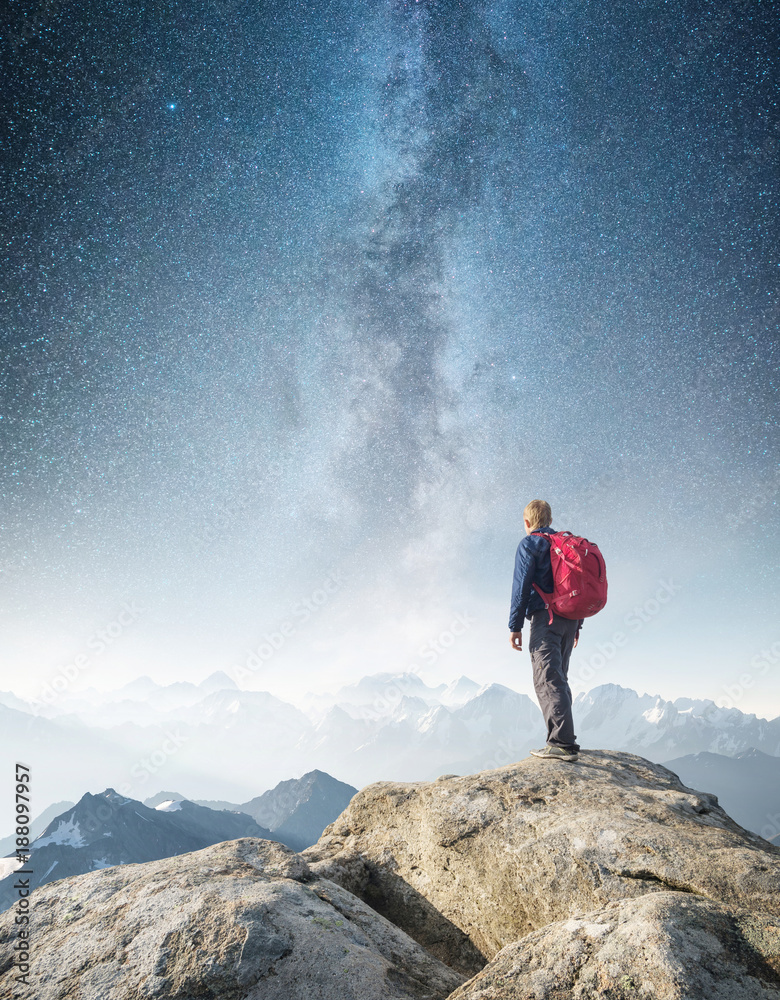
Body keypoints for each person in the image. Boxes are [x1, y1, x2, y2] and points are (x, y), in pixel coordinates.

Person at [508, 499, 582, 762]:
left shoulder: (530, 544)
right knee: (559, 677)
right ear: (550, 520)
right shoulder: (566, 545)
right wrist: (577, 625)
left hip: (545, 619)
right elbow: (577, 586)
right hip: (570, 619)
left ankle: (561, 744)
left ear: (527, 523)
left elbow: (521, 587)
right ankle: (562, 740)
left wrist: (514, 625)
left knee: (547, 679)